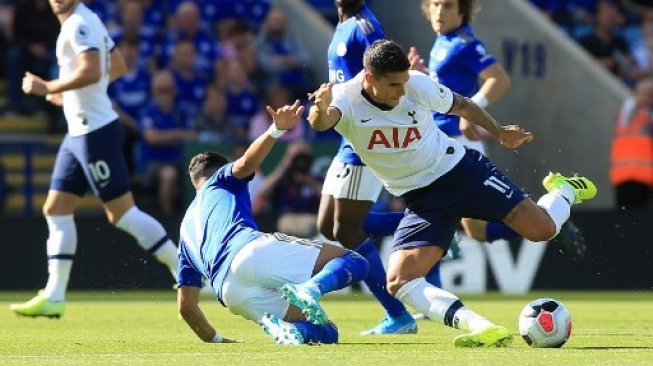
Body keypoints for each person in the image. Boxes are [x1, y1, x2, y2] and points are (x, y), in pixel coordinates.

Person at [306, 39, 597, 347]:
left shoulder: (416, 84)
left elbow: (462, 104)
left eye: (403, 82)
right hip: (420, 200)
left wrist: (499, 132)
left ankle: (564, 190)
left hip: (460, 173)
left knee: (543, 230)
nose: (401, 91)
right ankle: (481, 327)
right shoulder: (346, 99)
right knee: (399, 281)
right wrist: (319, 108)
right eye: (394, 85)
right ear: (369, 79)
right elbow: (322, 121)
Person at [10, 0, 179, 318]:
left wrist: (49, 86)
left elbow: (91, 69)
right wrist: (69, 93)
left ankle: (184, 270)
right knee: (55, 208)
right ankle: (54, 296)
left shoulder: (78, 24)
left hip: (93, 132)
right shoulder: (86, 21)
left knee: (122, 215)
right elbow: (116, 67)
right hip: (79, 133)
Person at [408, 0, 588, 268]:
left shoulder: (464, 42)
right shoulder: (443, 41)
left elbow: (499, 79)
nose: (439, 12)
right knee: (476, 231)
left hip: (457, 144)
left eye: (447, 6)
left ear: (462, 12)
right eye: (435, 5)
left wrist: (473, 109)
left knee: (430, 210)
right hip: (444, 140)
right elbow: (450, 87)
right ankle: (550, 219)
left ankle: (550, 214)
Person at [177, 100, 370, 345]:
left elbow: (186, 307)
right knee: (355, 262)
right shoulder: (220, 179)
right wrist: (275, 130)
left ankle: (297, 333)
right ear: (221, 168)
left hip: (230, 292)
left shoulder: (185, 231)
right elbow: (247, 163)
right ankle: (310, 289)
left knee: (327, 332)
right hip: (248, 251)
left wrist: (216, 341)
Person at [317, 0, 417, 335]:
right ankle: (426, 220)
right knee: (328, 226)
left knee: (347, 231)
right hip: (345, 139)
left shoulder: (365, 27)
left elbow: (385, 80)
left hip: (361, 141)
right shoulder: (344, 23)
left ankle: (398, 315)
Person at [610, 77, 653, 209]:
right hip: (626, 177)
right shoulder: (628, 112)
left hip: (645, 178)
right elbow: (629, 107)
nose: (646, 98)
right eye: (644, 94)